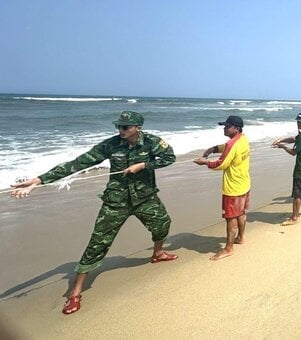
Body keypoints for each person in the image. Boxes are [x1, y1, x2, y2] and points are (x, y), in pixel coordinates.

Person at [10, 111, 177, 315]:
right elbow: (77, 163)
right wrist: (39, 180)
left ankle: (158, 253)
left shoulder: (153, 142)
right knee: (98, 243)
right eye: (118, 126)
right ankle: (75, 293)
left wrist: (144, 165)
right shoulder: (110, 145)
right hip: (116, 202)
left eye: (125, 127)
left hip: (146, 197)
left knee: (162, 224)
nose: (120, 130)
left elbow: (170, 157)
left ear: (138, 127)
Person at [194, 115, 251, 261]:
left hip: (233, 188)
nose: (224, 128)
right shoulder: (243, 139)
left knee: (230, 218)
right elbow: (228, 149)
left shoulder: (233, 144)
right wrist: (213, 148)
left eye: (227, 126)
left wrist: (204, 162)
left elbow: (221, 164)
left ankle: (228, 248)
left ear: (236, 128)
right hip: (244, 183)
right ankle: (241, 237)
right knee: (241, 213)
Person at [271, 112, 301, 225]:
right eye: (297, 122)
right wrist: (281, 140)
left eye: (300, 122)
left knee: (297, 195)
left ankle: (295, 217)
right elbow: (294, 139)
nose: (298, 124)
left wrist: (282, 147)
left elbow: (293, 152)